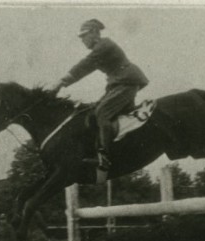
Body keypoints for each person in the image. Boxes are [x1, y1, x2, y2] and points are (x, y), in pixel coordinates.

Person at [52, 19, 149, 171]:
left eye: (84, 36)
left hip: (126, 82)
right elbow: (85, 69)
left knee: (102, 112)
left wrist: (60, 83)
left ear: (94, 33)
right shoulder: (100, 49)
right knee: (102, 111)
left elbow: (84, 66)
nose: (82, 40)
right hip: (119, 84)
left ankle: (104, 157)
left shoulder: (104, 46)